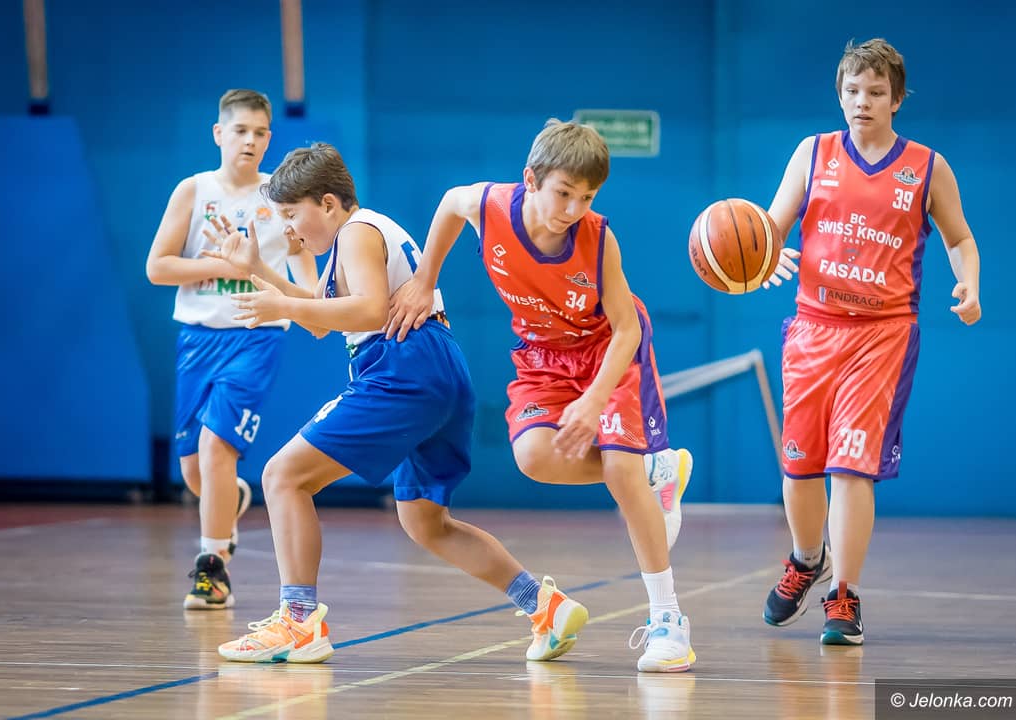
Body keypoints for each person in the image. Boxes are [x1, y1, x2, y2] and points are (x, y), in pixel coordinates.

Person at [208, 142, 588, 664]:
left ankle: (298, 622)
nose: (290, 231)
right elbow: (321, 316)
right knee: (425, 521)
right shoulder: (358, 237)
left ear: (327, 204)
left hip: (403, 365)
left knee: (282, 477)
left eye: (292, 215)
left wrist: (283, 305)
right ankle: (542, 605)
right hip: (438, 367)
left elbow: (367, 311)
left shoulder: (356, 232)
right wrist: (261, 272)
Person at [386, 120, 696, 672]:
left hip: (608, 350)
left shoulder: (598, 240)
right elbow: (451, 203)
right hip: (542, 354)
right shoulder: (489, 207)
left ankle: (668, 619)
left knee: (621, 471)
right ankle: (656, 471)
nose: (573, 208)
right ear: (530, 179)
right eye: (563, 193)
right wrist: (424, 280)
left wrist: (596, 399)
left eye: (586, 197)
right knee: (533, 457)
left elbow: (626, 328)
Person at [759, 38, 981, 645]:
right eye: (853, 90)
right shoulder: (813, 153)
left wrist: (970, 283)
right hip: (813, 327)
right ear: (840, 94)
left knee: (851, 467)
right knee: (799, 465)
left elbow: (960, 239)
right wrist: (762, 253)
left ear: (897, 99)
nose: (863, 101)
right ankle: (807, 559)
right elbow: (771, 226)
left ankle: (844, 595)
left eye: (876, 92)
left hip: (883, 333)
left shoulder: (927, 167)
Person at [146, 89, 318, 610]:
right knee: (195, 471)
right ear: (219, 134)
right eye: (240, 130)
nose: (250, 140)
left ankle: (212, 568)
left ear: (270, 139)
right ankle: (233, 499)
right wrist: (226, 264)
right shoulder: (194, 190)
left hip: (256, 335)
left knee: (216, 446)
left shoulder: (280, 198)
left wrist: (277, 286)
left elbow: (308, 288)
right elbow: (158, 267)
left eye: (260, 132)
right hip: (198, 338)